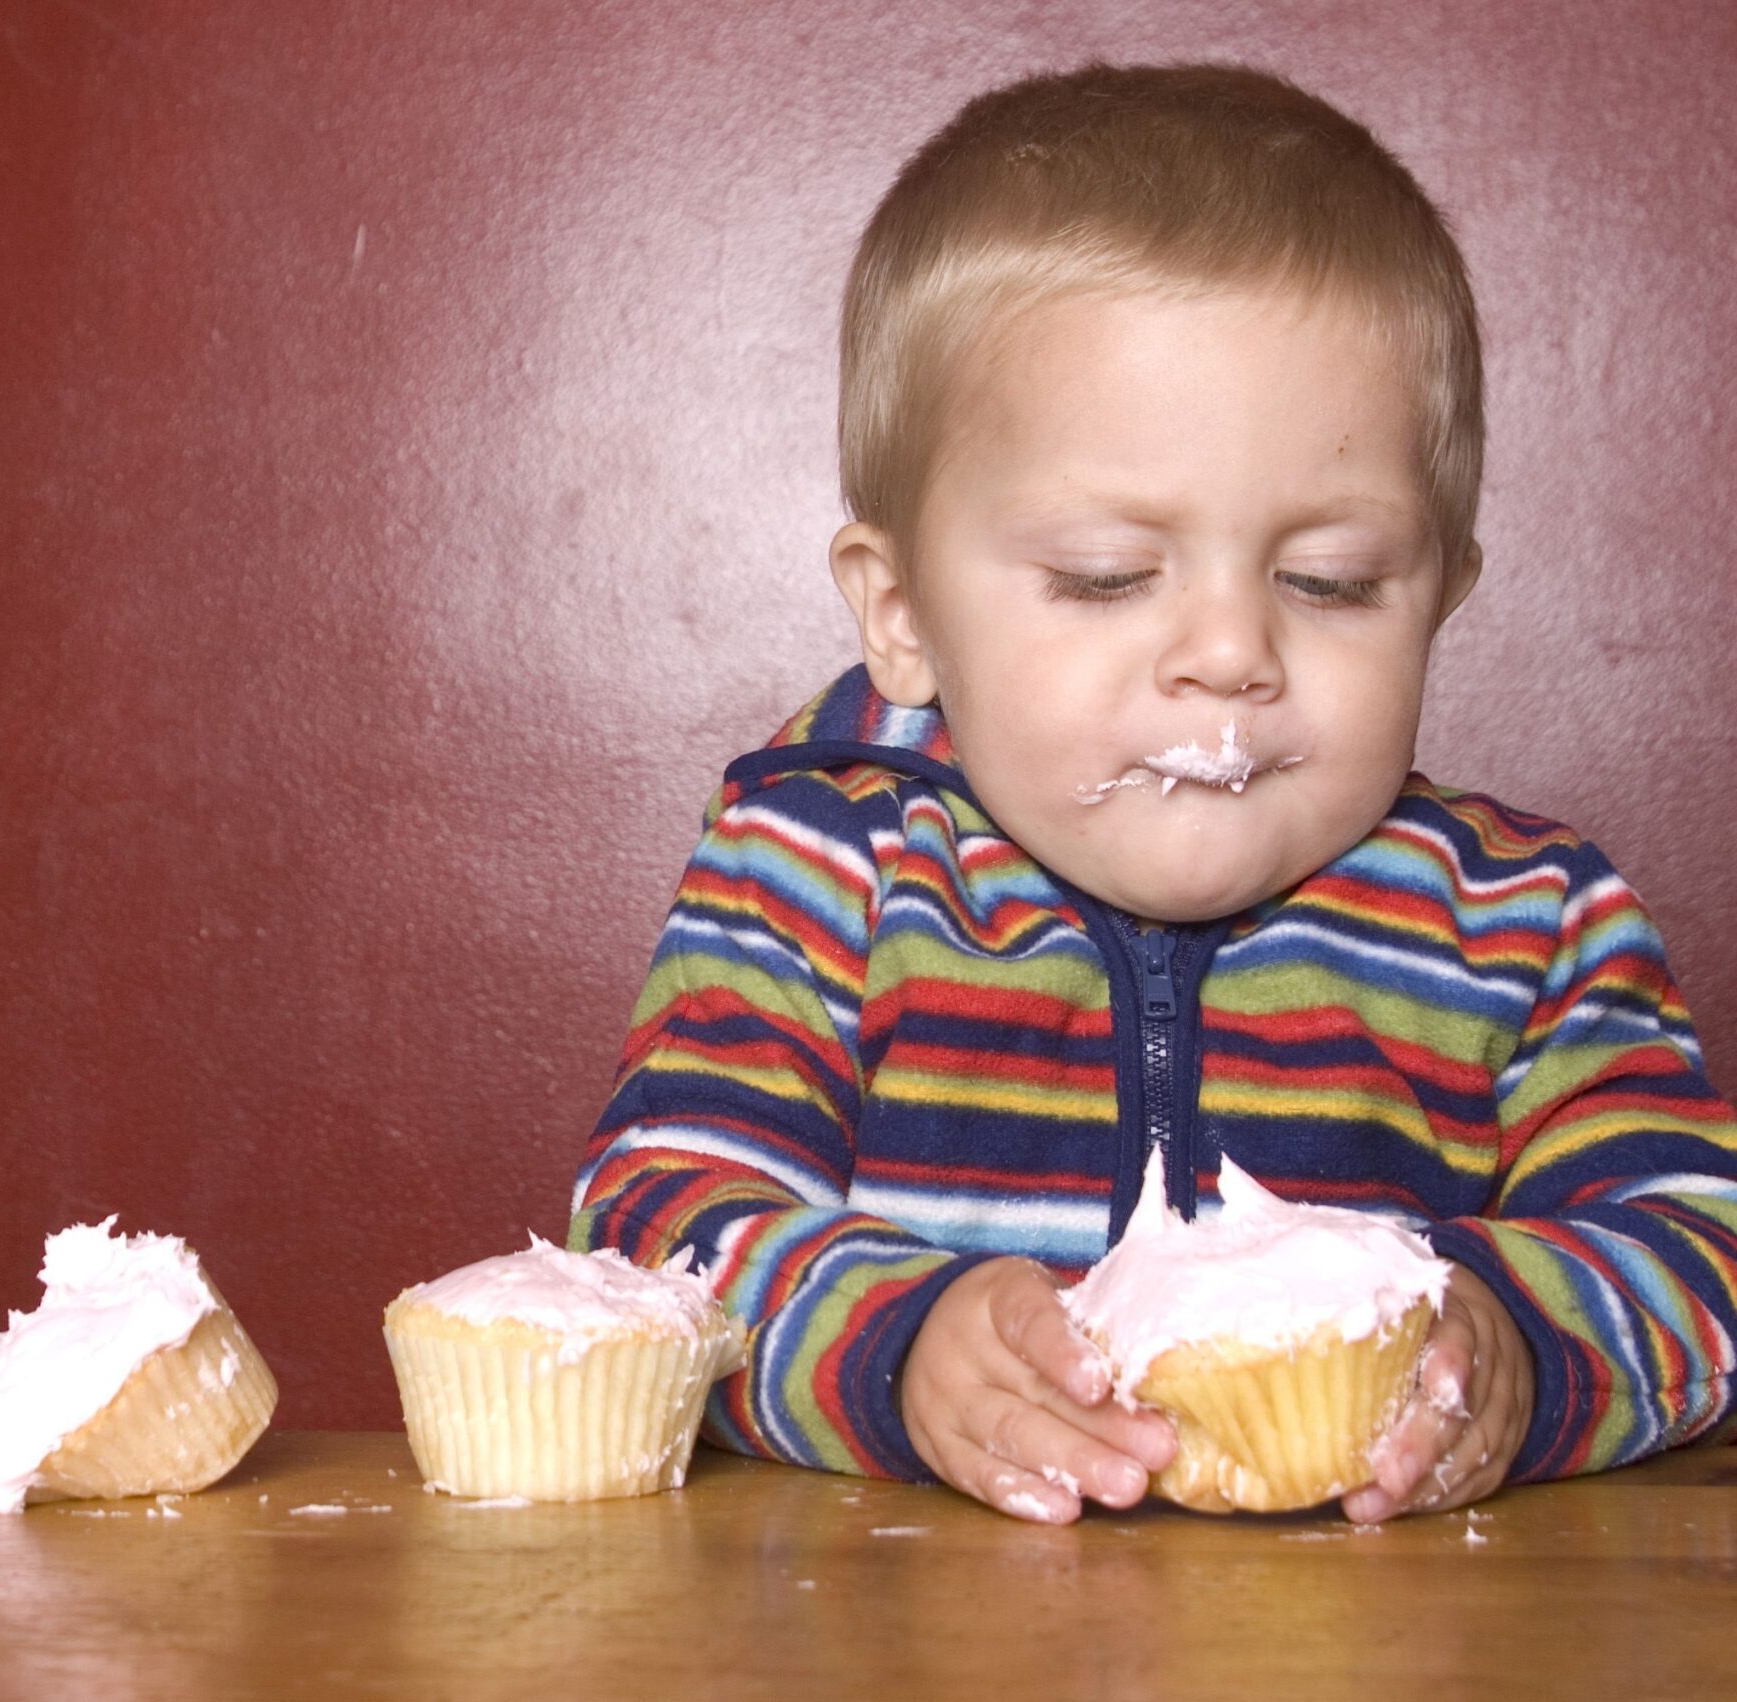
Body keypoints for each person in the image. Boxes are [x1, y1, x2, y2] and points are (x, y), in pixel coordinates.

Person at [568, 61, 1737, 1526]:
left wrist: (1518, 1349)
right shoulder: (822, 868)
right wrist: (900, 1345)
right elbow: (655, 1230)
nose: (1233, 654)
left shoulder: (1527, 920)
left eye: (1333, 582)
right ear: (906, 611)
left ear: (1441, 594)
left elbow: (1697, 1249)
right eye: (1109, 576)